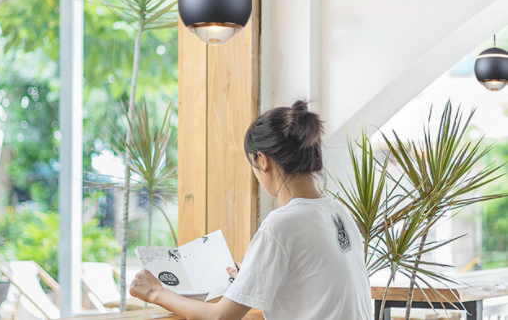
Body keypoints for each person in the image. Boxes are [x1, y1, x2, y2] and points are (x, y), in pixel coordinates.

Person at [130, 100, 372, 320]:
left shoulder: (281, 224)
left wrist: (155, 292)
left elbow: (221, 317)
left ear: (263, 160)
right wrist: (252, 275)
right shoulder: (339, 212)